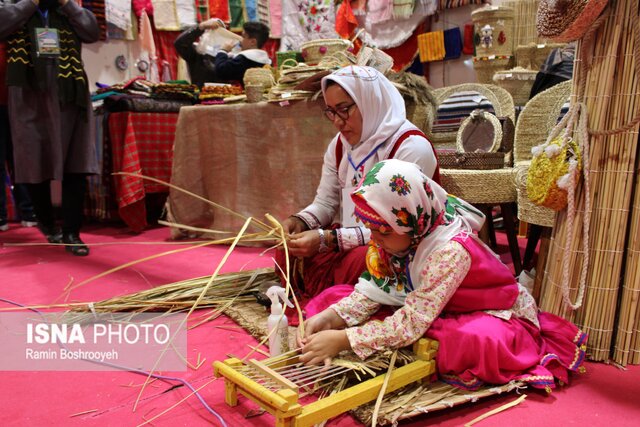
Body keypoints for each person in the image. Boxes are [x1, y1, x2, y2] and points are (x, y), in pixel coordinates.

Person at [298, 159, 587, 392]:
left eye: (383, 230)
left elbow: (412, 322)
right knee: (334, 299)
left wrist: (344, 339)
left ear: (410, 216)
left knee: (473, 340)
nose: (374, 238)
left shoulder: (449, 251)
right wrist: (333, 317)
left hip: (490, 312)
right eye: (372, 228)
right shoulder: (398, 232)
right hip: (429, 304)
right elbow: (375, 288)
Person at [277, 66, 440, 302]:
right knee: (289, 249)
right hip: (350, 240)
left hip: (403, 245)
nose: (337, 122)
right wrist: (298, 222)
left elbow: (401, 228)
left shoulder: (410, 146)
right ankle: (326, 297)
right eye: (331, 112)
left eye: (344, 110)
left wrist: (328, 240)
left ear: (370, 102)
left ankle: (338, 301)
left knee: (363, 261)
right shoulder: (341, 145)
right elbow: (325, 202)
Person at [0, 0, 100, 255]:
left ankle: (72, 233)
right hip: (28, 94)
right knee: (33, 159)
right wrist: (30, 3)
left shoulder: (66, 9)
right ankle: (47, 224)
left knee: (75, 164)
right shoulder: (12, 6)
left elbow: (91, 31)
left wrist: (68, 4)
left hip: (69, 93)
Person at [0, 41, 37, 231]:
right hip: (8, 104)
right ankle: (1, 216)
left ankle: (28, 211)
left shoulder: (15, 36)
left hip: (18, 105)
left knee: (21, 159)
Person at [174, 19, 271, 87]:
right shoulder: (198, 53)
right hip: (204, 100)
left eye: (220, 31)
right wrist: (201, 27)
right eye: (210, 30)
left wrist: (223, 51)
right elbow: (180, 43)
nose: (214, 35)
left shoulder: (235, 54)